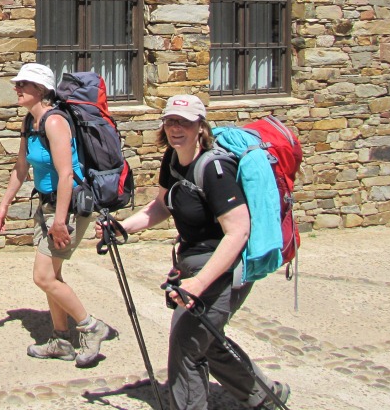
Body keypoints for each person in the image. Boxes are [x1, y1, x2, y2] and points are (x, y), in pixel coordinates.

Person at [109, 94, 289, 410]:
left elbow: (238, 233)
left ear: (200, 127)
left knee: (187, 346)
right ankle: (265, 396)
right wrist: (124, 227)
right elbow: (163, 205)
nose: (177, 128)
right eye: (171, 121)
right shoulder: (173, 159)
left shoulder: (215, 170)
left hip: (223, 270)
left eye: (185, 122)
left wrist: (199, 283)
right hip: (193, 264)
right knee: (207, 339)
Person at [0, 63, 113, 368]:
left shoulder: (55, 122)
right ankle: (61, 340)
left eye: (24, 84)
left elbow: (65, 174)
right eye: (18, 83)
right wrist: (5, 203)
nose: (17, 88)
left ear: (41, 90)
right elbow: (21, 169)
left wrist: (60, 221)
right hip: (46, 205)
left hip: (68, 207)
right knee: (53, 276)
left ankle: (90, 326)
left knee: (43, 276)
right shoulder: (29, 123)